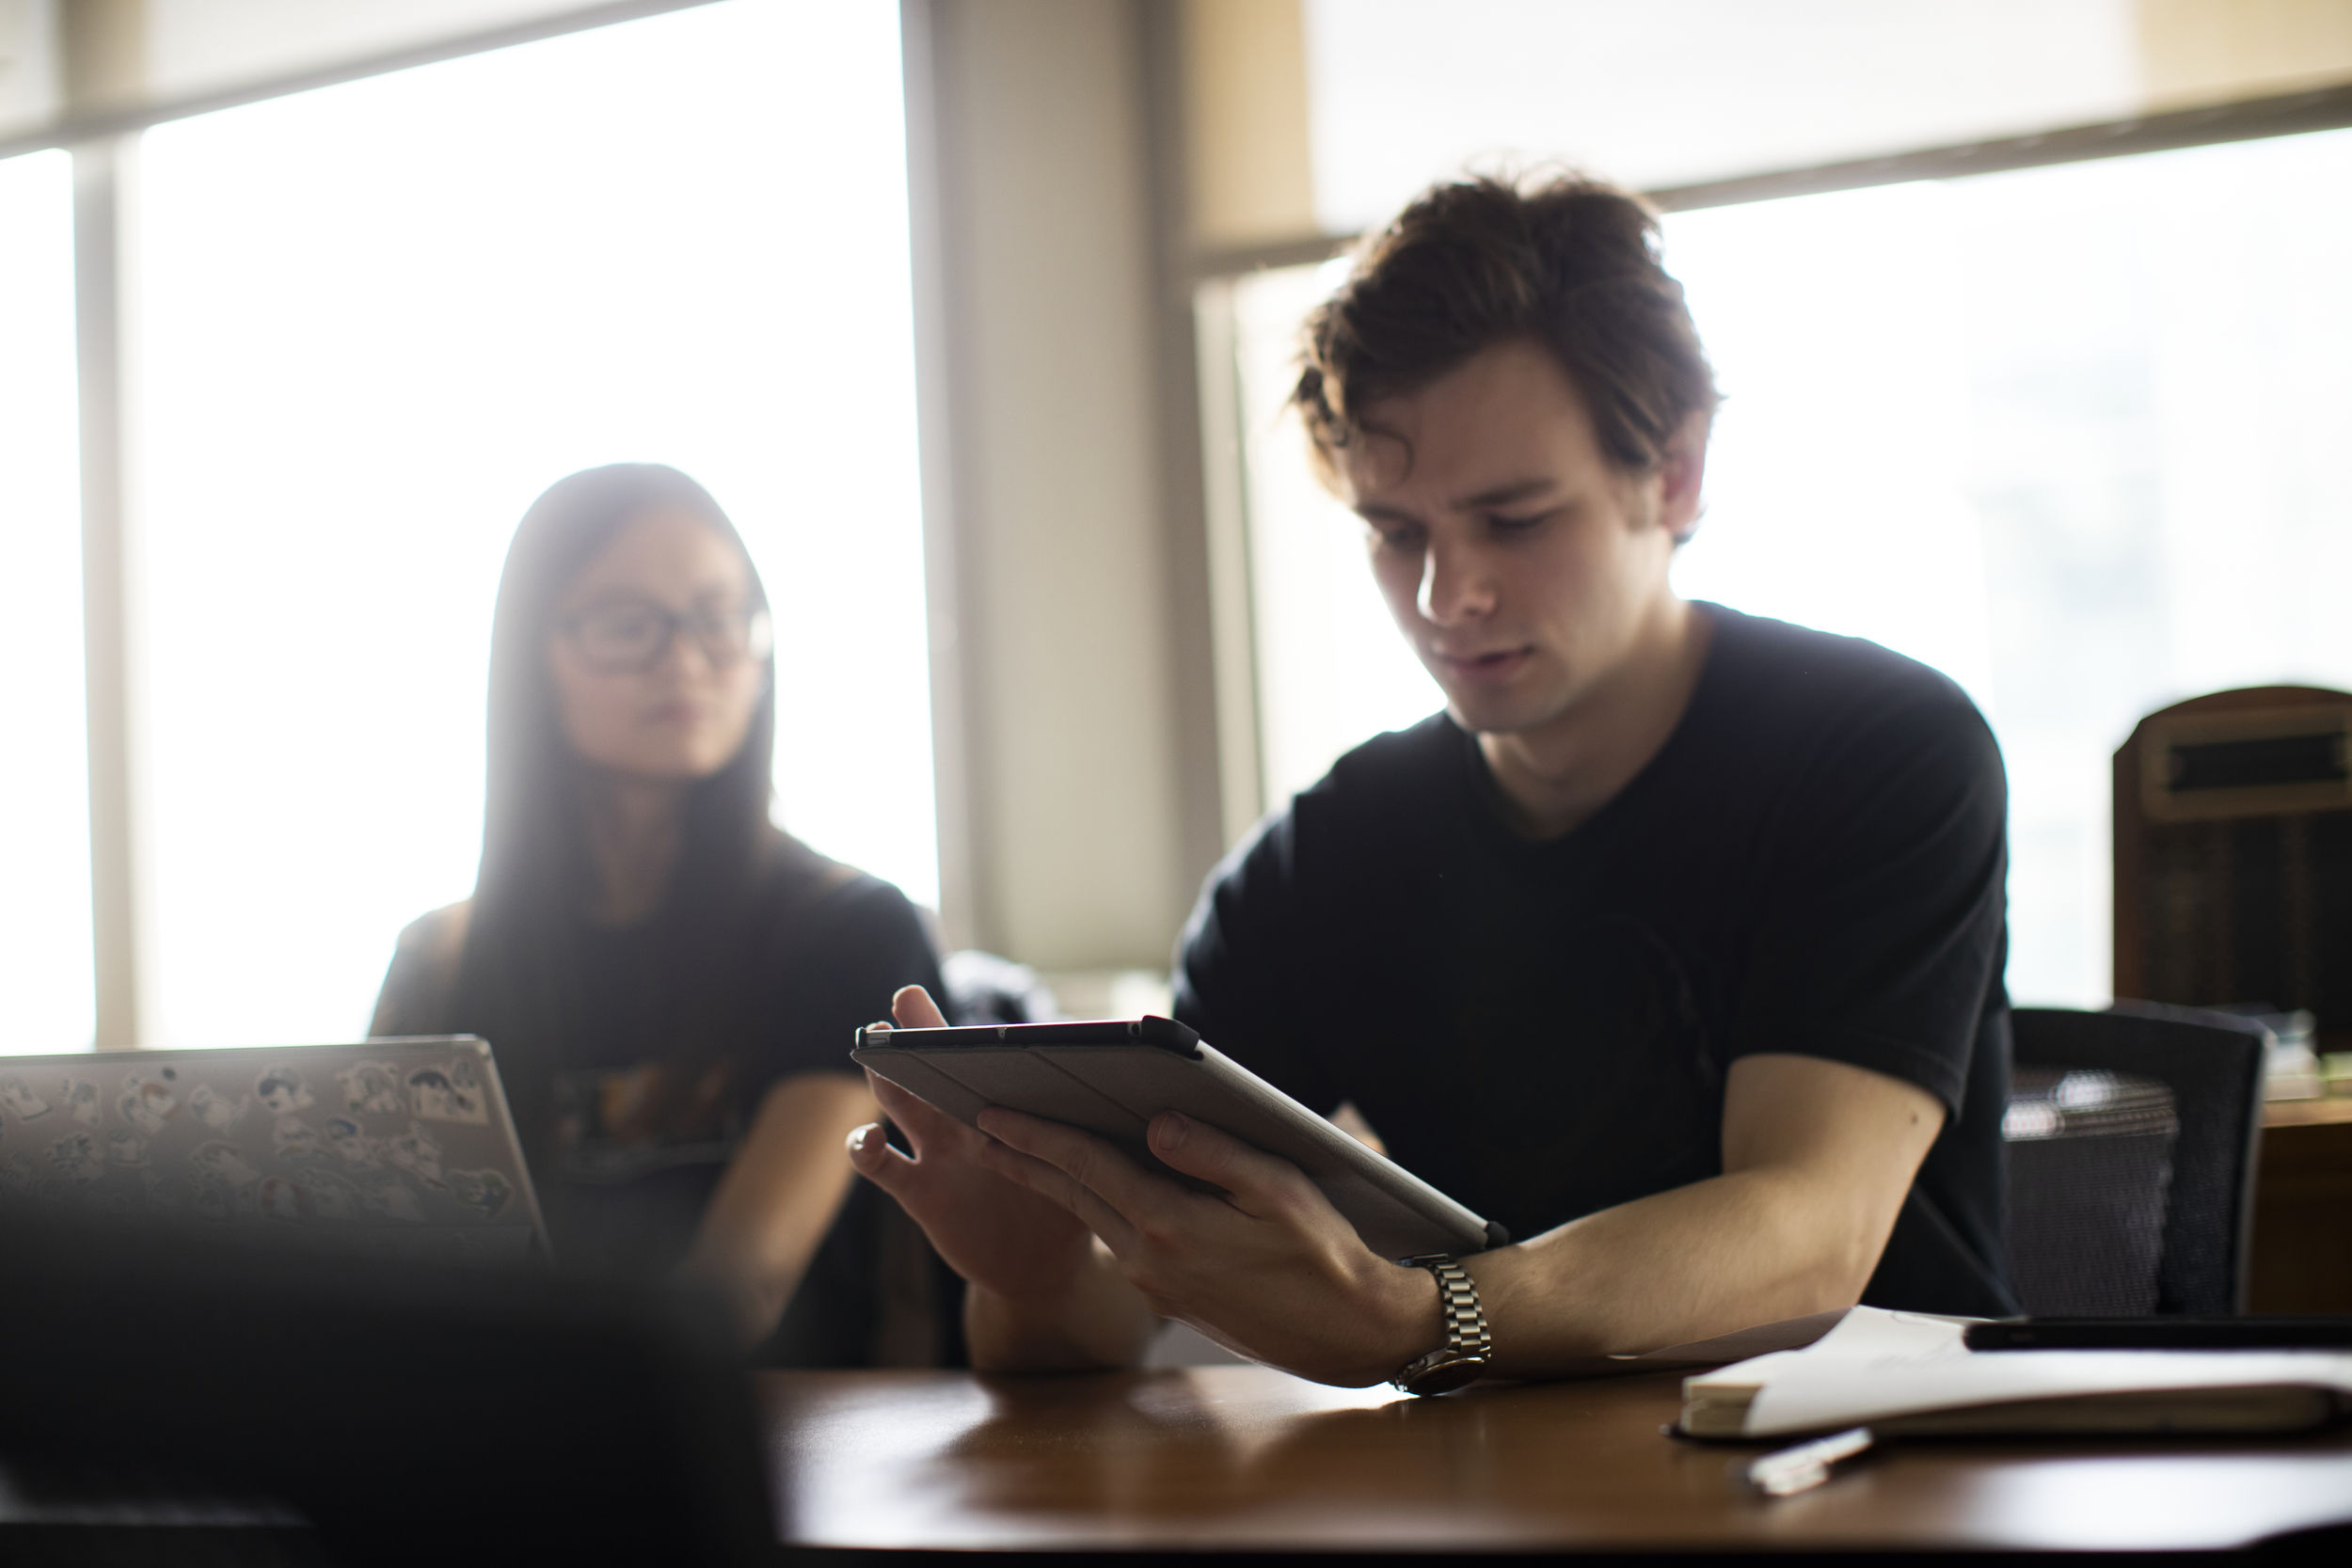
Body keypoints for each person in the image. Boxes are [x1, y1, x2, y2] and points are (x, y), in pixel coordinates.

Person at [849, 173, 2017, 1390]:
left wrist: (1422, 1316)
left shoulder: (1880, 751)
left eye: (1513, 519)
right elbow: (1103, 1330)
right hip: (1523, 1481)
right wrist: (1030, 1269)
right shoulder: (1322, 863)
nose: (1445, 596)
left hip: (1887, 1458)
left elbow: (1809, 1230)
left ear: (1672, 474)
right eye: (1395, 531)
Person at [372, 463, 946, 1363]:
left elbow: (741, 1282)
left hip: (783, 1450)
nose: (682, 658)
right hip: (500, 1447)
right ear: (532, 656)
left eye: (718, 618)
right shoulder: (440, 959)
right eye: (626, 624)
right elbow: (386, 1260)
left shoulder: (850, 931)